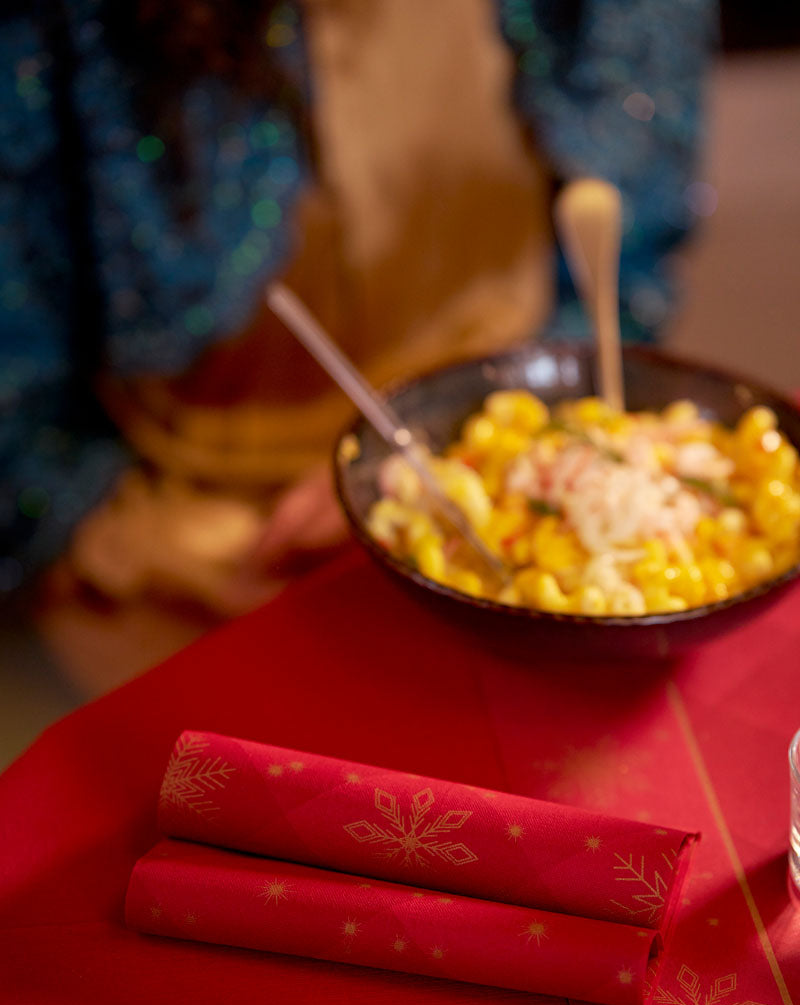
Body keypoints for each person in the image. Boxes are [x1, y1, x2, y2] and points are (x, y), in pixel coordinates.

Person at [0, 0, 717, 618]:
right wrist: (137, 541)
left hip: (515, 482)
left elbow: (624, 257)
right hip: (194, 541)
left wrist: (481, 441)